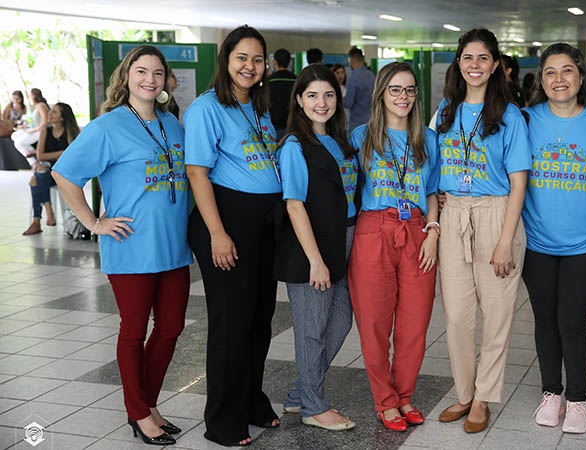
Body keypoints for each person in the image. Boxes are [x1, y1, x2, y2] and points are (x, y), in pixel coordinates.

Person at [52, 45, 191, 447]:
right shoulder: (107, 126)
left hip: (173, 247)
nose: (150, 79)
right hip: (131, 247)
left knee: (171, 328)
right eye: (142, 71)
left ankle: (146, 403)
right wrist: (93, 222)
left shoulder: (172, 124)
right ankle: (138, 412)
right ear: (126, 77)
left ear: (166, 81)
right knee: (134, 330)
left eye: (158, 73)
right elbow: (65, 175)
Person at [184, 25, 282, 447]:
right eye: (242, 57)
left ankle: (251, 399)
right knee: (231, 324)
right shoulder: (207, 108)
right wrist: (217, 233)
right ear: (226, 61)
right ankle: (223, 419)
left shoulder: (258, 106)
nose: (250, 66)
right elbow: (197, 172)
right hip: (226, 221)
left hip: (262, 223)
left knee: (260, 320)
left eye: (257, 59)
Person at [435, 28, 529, 434]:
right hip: (454, 214)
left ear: (496, 66)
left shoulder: (509, 114)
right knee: (457, 317)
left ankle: (484, 397)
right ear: (459, 63)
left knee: (496, 317)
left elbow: (519, 178)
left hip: (496, 215)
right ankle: (464, 392)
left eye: (483, 58)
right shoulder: (446, 109)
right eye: (468, 58)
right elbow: (433, 166)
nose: (475, 65)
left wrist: (506, 240)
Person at [348, 62, 440, 432]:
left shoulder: (428, 139)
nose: (403, 97)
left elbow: (432, 191)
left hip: (418, 232)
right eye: (395, 89)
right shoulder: (360, 138)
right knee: (374, 324)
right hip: (374, 231)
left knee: (415, 324)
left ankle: (404, 396)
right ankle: (385, 401)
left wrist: (433, 232)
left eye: (410, 90)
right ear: (381, 94)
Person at [519, 43, 586, 434]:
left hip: (585, 244)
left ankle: (577, 400)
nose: (559, 79)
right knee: (545, 322)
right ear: (541, 79)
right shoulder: (525, 120)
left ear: (580, 76)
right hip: (537, 243)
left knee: (574, 322)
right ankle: (551, 393)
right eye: (550, 72)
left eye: (567, 70)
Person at [275, 63, 359, 432]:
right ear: (299, 100)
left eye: (328, 95)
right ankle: (314, 405)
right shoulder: (295, 146)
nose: (321, 102)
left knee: (340, 321)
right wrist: (316, 261)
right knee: (311, 329)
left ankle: (298, 394)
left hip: (346, 239)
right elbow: (294, 204)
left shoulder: (342, 142)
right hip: (312, 248)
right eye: (312, 95)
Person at [22, 103, 80, 236]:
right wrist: (60, 153)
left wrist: (54, 156)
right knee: (40, 171)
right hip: (48, 172)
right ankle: (49, 212)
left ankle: (37, 221)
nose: (49, 114)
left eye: (54, 112)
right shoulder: (45, 131)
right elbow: (40, 155)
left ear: (62, 117)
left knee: (34, 180)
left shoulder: (72, 133)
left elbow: (73, 157)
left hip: (64, 174)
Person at [344, 46, 375, 134]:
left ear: (350, 60)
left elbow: (348, 103)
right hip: (371, 120)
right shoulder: (372, 76)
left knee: (355, 147)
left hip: (357, 122)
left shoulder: (353, 78)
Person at [11, 88, 49, 159]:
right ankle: (33, 151)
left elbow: (45, 121)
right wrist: (27, 126)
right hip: (36, 128)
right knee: (14, 135)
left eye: (30, 94)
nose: (29, 96)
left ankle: (34, 159)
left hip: (41, 131)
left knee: (18, 143)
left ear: (33, 95)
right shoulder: (36, 106)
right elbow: (36, 122)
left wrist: (34, 130)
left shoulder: (41, 105)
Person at [268, 48, 297, 140]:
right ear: (289, 62)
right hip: (292, 125)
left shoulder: (268, 81)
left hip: (272, 125)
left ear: (274, 61)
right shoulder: (296, 80)